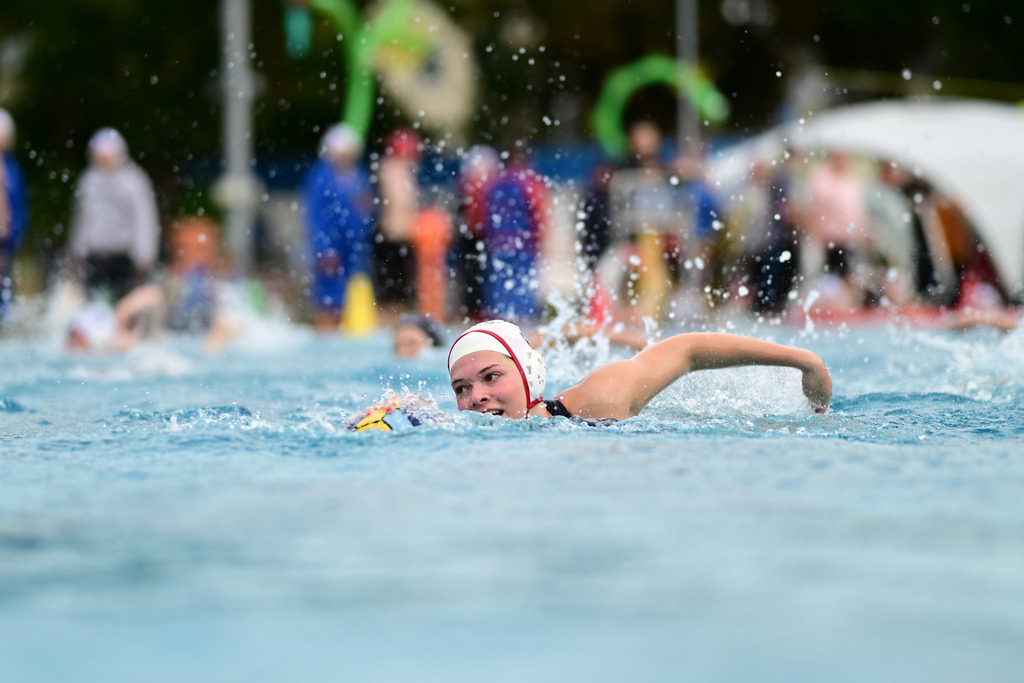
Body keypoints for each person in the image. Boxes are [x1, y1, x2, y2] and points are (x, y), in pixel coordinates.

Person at [448, 320, 832, 422]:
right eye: (460, 388)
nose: (476, 396)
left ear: (529, 374)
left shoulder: (595, 402)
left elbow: (688, 351)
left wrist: (804, 360)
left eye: (491, 376)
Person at [68, 128, 161, 303]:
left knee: (123, 301)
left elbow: (144, 219)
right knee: (93, 301)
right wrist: (77, 250)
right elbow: (82, 219)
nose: (104, 163)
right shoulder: (88, 181)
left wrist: (145, 253)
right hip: (95, 254)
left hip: (123, 254)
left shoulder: (134, 182)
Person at [302, 123, 376, 331]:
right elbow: (316, 217)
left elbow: (364, 211)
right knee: (329, 300)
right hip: (332, 247)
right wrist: (325, 248)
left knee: (353, 297)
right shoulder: (321, 178)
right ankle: (327, 334)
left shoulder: (357, 175)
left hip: (354, 246)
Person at [374, 126, 422, 323]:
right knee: (393, 295)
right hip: (393, 238)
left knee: (397, 294)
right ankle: (391, 325)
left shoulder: (394, 169)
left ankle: (393, 325)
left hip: (396, 237)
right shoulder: (394, 169)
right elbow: (400, 204)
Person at [0, 108, 29, 326]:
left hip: (6, 243)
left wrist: (14, 237)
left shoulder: (12, 167)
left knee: (5, 293)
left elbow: (19, 207)